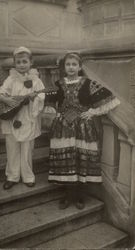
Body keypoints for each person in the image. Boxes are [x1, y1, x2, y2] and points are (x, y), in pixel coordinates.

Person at [48, 52, 120, 209]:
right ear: (64, 67)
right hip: (63, 129)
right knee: (67, 161)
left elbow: (112, 99)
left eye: (74, 64)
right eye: (68, 64)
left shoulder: (88, 83)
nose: (71, 67)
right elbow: (51, 102)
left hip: (82, 128)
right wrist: (56, 113)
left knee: (80, 160)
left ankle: (79, 196)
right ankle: (68, 195)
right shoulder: (58, 83)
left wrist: (92, 112)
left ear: (80, 67)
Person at [0, 46, 45, 190]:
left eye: (24, 61)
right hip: (12, 118)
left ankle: (28, 176)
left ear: (30, 62)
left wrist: (35, 98)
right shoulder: (11, 79)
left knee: (27, 149)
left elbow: (42, 95)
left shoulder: (36, 80)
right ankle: (12, 176)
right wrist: (6, 100)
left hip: (28, 118)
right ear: (15, 64)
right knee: (12, 148)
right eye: (18, 62)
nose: (21, 65)